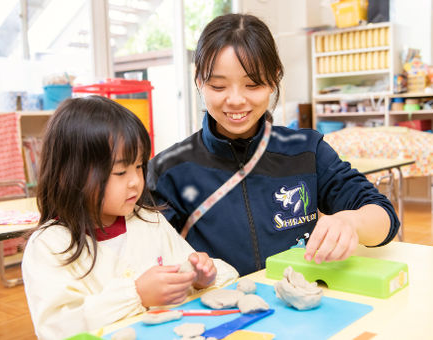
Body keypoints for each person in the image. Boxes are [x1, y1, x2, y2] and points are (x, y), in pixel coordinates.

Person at [148, 13, 400, 277]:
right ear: (199, 81)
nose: (235, 100)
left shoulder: (306, 150)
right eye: (218, 86)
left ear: (274, 78)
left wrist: (352, 222)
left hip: (300, 308)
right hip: (222, 312)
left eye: (252, 84)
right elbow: (144, 257)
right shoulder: (169, 170)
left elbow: (385, 218)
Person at [21, 96, 238, 340]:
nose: (136, 181)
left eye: (139, 166)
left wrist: (201, 279)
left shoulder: (148, 220)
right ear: (69, 174)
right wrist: (136, 294)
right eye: (121, 171)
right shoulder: (49, 245)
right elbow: (55, 328)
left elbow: (221, 274)